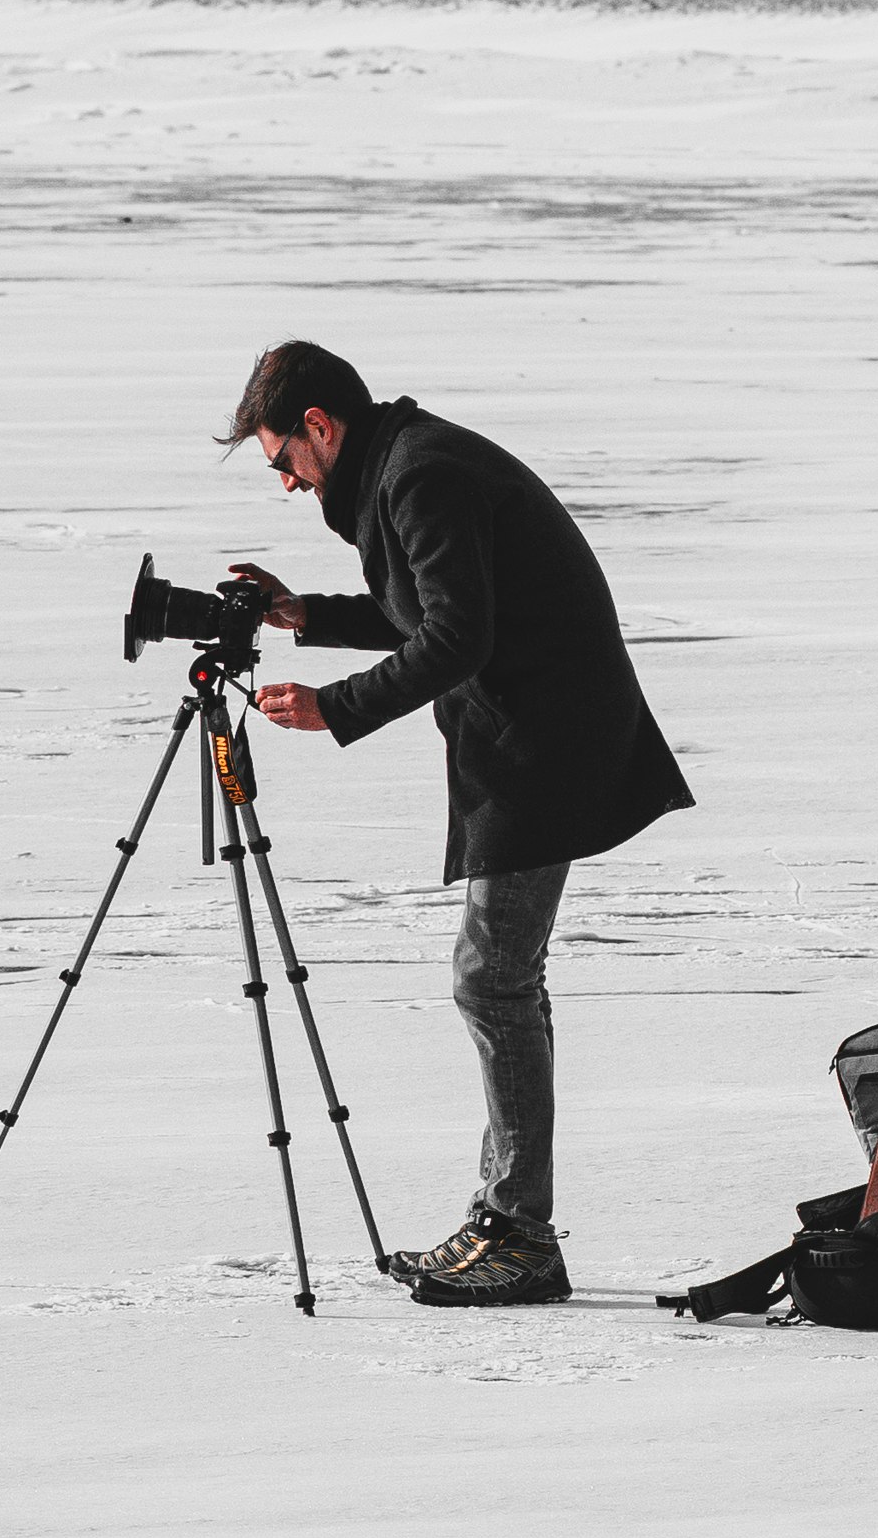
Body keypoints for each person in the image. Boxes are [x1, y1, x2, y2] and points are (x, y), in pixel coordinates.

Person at [221, 336, 690, 1307]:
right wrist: (303, 613)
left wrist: (336, 706)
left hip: (545, 743)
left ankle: (517, 1234)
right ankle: (506, 1215)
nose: (283, 482)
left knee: (490, 977)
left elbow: (455, 635)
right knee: (502, 978)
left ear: (319, 426)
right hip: (533, 732)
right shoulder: (403, 464)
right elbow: (426, 607)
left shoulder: (418, 475)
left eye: (281, 459)